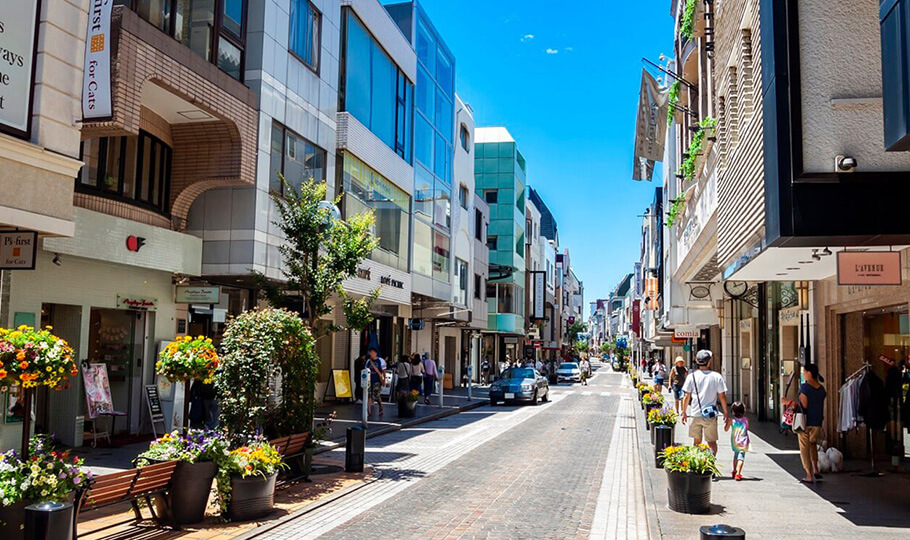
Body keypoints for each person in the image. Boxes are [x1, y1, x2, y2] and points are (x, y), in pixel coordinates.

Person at [783, 363, 827, 483]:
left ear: (809, 373)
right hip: (817, 422)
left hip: (805, 423)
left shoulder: (805, 388)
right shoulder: (821, 389)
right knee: (813, 444)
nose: (803, 374)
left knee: (804, 448)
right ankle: (816, 469)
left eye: (804, 372)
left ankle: (808, 474)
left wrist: (788, 402)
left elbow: (803, 405)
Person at [681, 349, 730, 456]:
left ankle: (698, 466)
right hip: (710, 415)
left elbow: (686, 396)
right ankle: (710, 463)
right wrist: (726, 412)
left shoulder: (691, 376)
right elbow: (722, 396)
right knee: (712, 442)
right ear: (709, 362)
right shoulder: (717, 376)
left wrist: (683, 412)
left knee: (696, 442)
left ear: (697, 361)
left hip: (695, 414)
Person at [727, 401, 750, 481]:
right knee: (741, 458)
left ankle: (734, 470)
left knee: (736, 456)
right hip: (743, 442)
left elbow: (726, 429)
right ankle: (738, 473)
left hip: (735, 442)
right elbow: (747, 428)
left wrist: (727, 422)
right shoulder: (745, 420)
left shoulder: (732, 421)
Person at [365, 348, 386, 417]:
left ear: (375, 353)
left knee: (376, 395)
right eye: (370, 352)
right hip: (369, 381)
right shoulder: (368, 361)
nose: (370, 354)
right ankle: (369, 411)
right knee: (369, 395)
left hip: (377, 380)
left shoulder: (380, 361)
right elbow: (366, 370)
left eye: (372, 352)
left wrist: (384, 380)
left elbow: (383, 371)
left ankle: (380, 406)